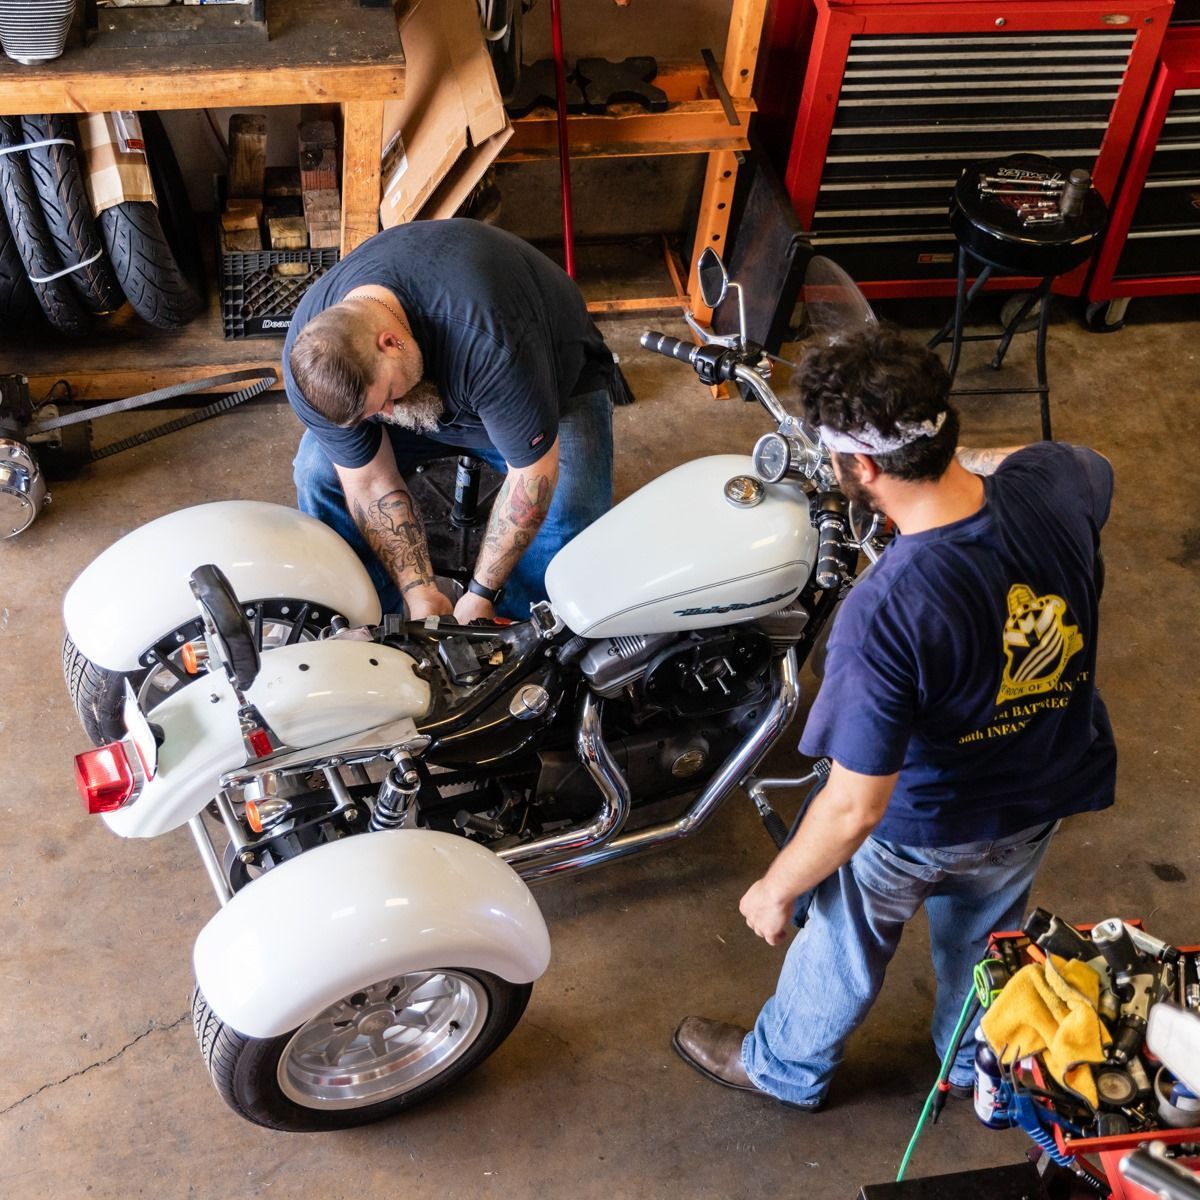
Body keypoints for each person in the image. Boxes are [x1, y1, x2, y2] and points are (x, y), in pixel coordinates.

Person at [672, 323, 1116, 1110]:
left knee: (841, 939)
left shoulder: (885, 611)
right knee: (988, 936)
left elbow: (854, 807)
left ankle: (783, 1067)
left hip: (924, 825)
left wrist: (776, 889)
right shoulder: (1058, 485)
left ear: (861, 466)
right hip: (1043, 790)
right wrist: (960, 459)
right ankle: (972, 1063)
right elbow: (1079, 463)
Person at [284, 218, 617, 623]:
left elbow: (531, 476)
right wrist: (419, 591)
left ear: (390, 342)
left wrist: (481, 594)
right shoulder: (313, 359)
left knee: (569, 511)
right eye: (373, 413)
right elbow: (369, 480)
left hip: (548, 381)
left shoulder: (490, 337)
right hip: (440, 385)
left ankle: (516, 630)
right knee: (320, 473)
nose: (387, 416)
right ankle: (379, 619)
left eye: (386, 399)